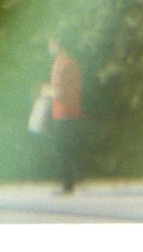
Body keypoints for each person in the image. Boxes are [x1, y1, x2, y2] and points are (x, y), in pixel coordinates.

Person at [34, 38, 83, 194]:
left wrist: (43, 90)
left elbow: (58, 90)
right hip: (72, 109)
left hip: (63, 111)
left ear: (57, 45)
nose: (49, 47)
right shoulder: (72, 62)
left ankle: (66, 184)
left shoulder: (60, 64)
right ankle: (68, 182)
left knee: (62, 149)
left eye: (51, 43)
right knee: (67, 148)